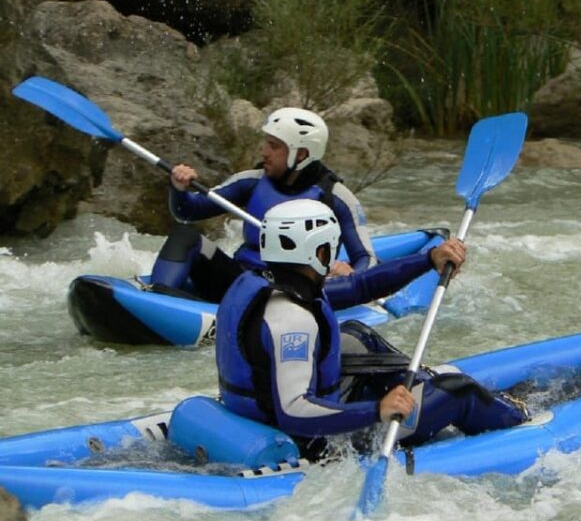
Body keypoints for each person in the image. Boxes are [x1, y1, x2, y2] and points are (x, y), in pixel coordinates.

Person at [215, 199, 528, 459]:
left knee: (356, 334)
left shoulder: (263, 281)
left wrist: (428, 260)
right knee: (460, 391)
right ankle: (524, 422)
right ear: (319, 252)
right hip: (313, 442)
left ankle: (421, 386)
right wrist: (377, 410)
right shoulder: (292, 321)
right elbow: (294, 411)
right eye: (330, 247)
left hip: (258, 412)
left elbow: (359, 285)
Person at [149, 107, 376, 302]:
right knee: (184, 235)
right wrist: (179, 189)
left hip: (292, 294)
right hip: (241, 280)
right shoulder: (251, 181)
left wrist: (351, 272)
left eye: (274, 146)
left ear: (301, 154)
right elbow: (188, 212)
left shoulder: (336, 197)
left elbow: (367, 258)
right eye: (266, 143)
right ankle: (158, 300)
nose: (264, 151)